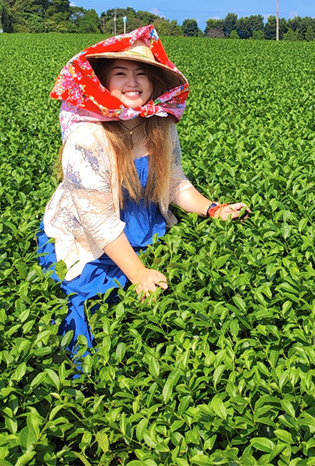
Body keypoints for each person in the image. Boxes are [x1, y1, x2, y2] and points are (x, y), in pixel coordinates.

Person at [37, 24, 248, 362]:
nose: (133, 82)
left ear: (153, 83)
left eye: (142, 74)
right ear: (103, 83)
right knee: (95, 299)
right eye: (120, 73)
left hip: (141, 220)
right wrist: (138, 274)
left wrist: (213, 209)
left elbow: (174, 182)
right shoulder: (87, 138)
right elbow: (97, 220)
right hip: (88, 234)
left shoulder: (160, 125)